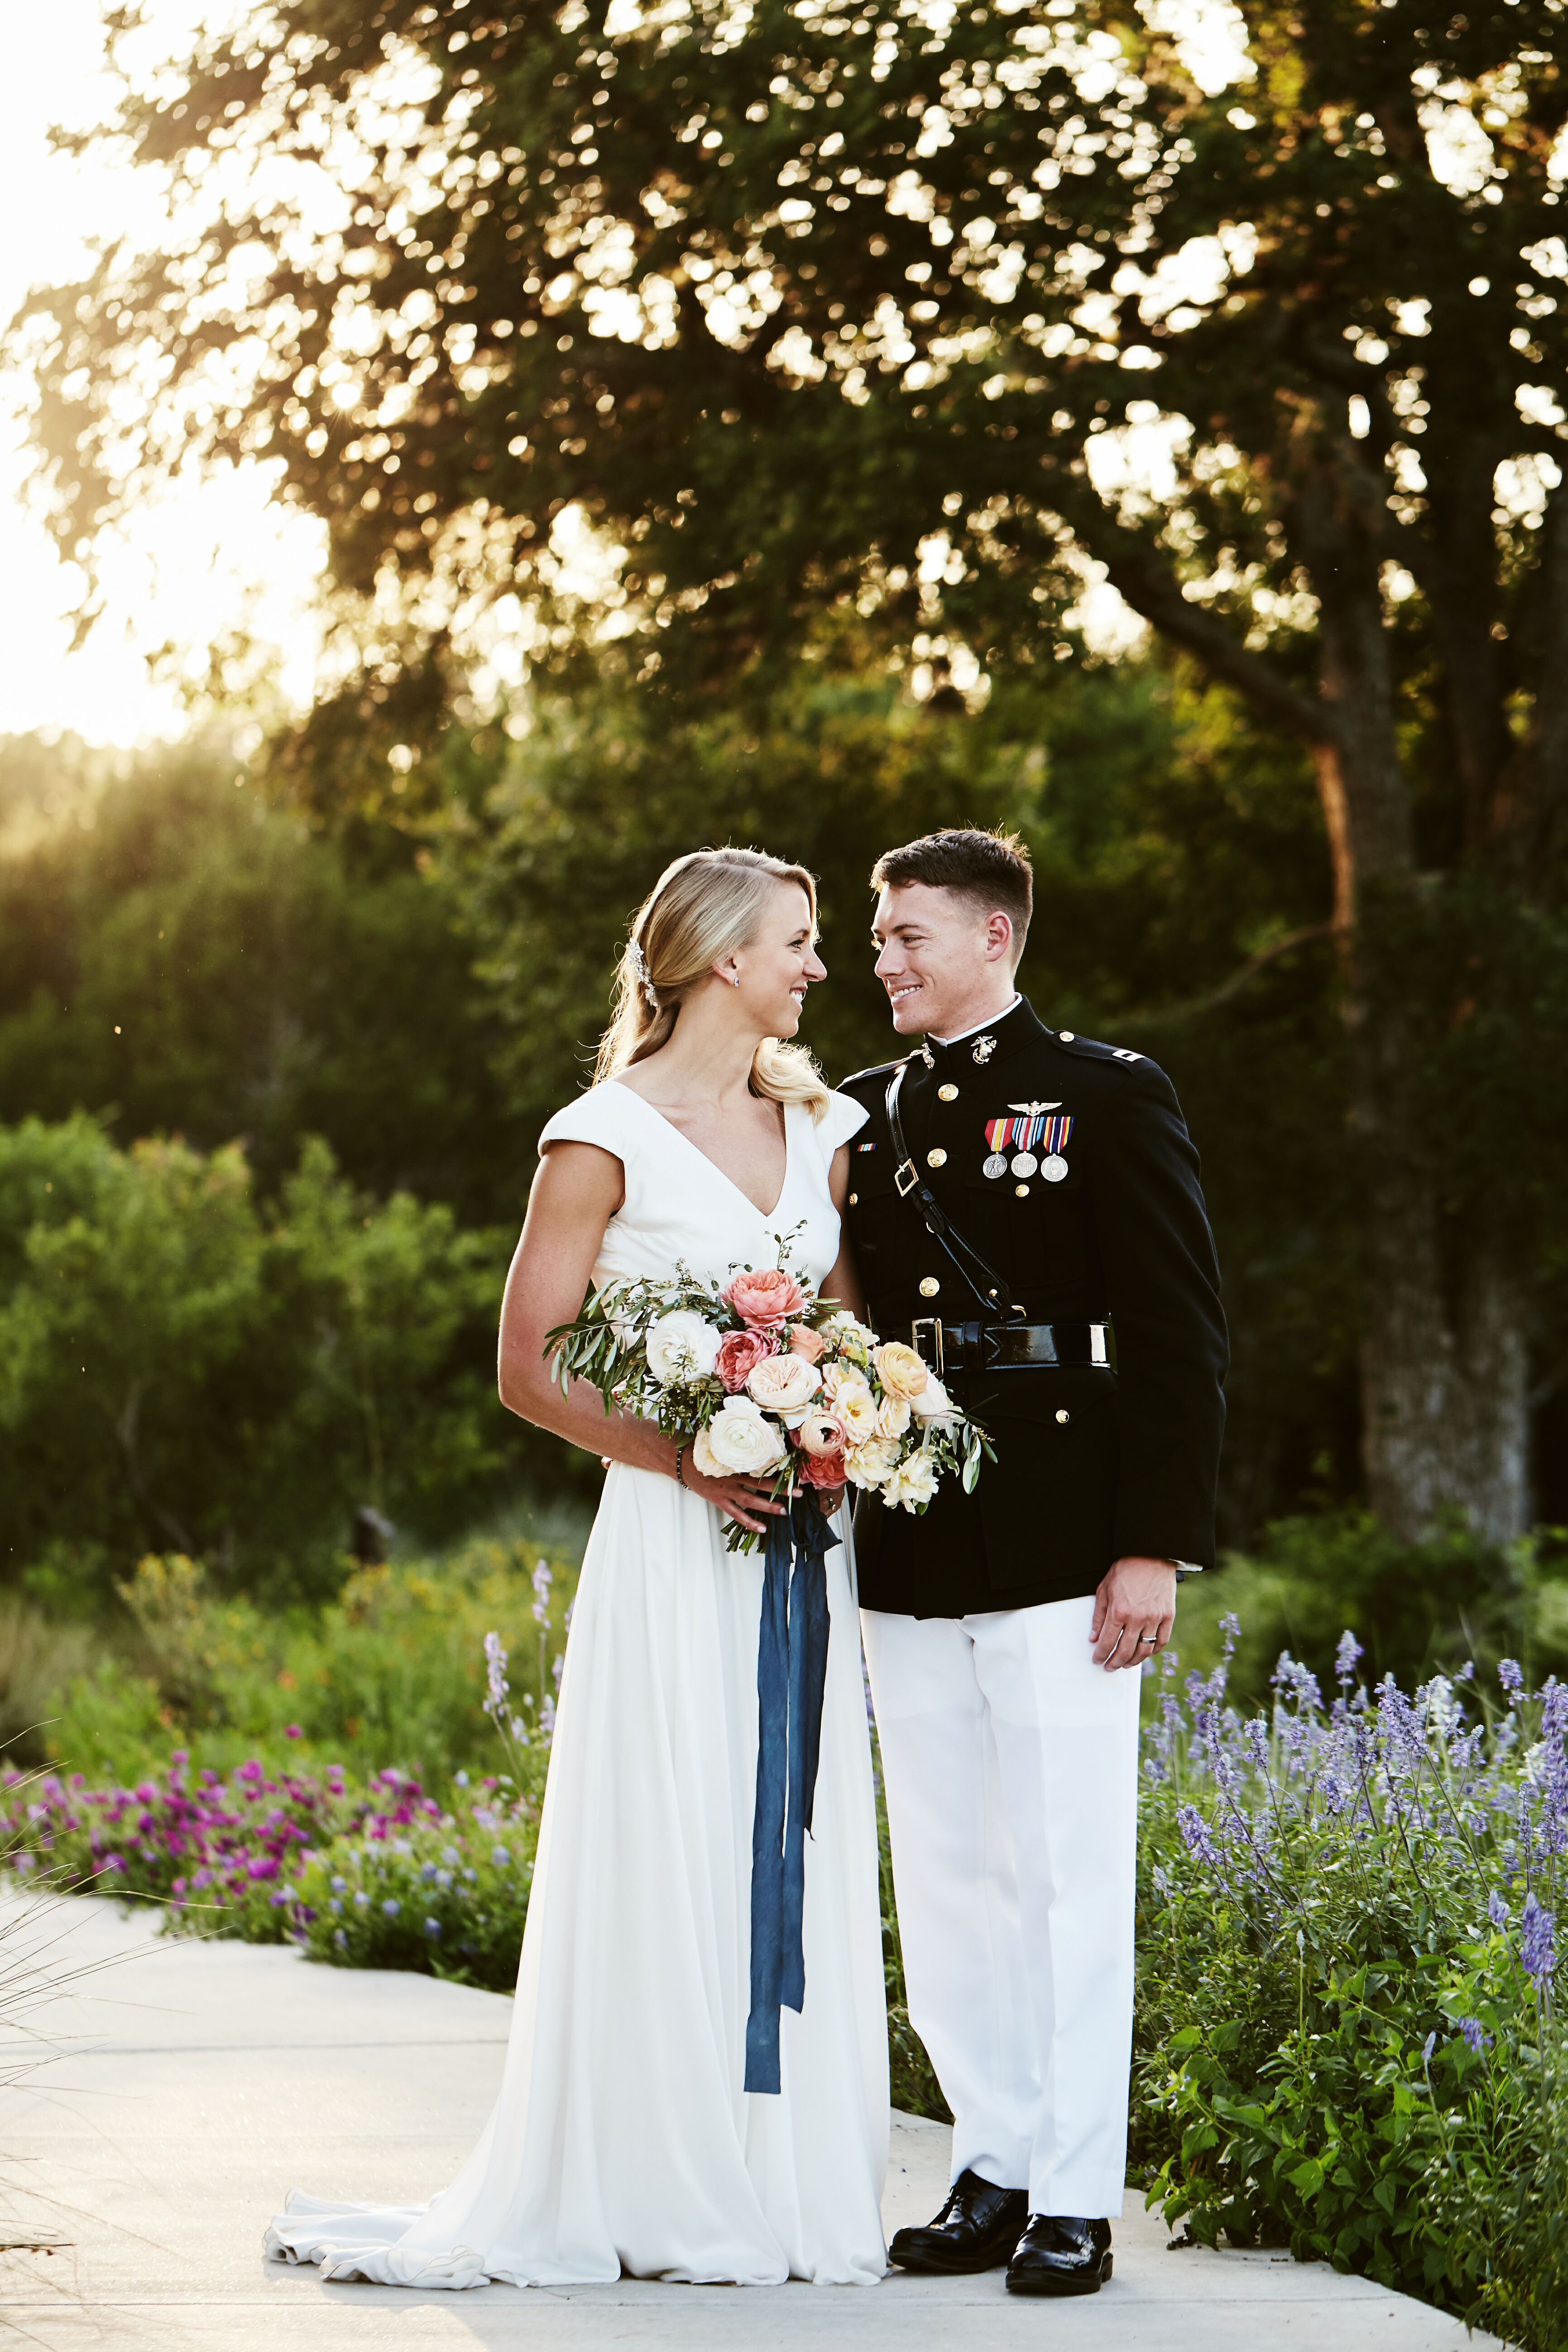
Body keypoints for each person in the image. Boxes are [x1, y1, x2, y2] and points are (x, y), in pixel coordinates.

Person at [265, 849, 889, 2289]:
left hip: (802, 1541)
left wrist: (847, 1423)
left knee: (793, 1829)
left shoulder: (824, 1123)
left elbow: (857, 1330)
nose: (817, 967)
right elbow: (527, 1360)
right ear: (724, 958)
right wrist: (688, 1457)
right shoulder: (599, 1135)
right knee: (670, 1823)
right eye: (798, 943)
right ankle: (655, 2172)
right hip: (675, 1544)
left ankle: (788, 2185)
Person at [839, 827, 1227, 2298]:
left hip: (1072, 1536)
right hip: (912, 1531)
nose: (885, 959)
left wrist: (1154, 1542)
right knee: (945, 1876)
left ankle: (1076, 2191)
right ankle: (990, 2164)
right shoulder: (858, 1118)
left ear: (996, 937)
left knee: (1069, 1876)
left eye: (910, 935)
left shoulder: (1108, 1096)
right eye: (878, 937)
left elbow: (1183, 1334)